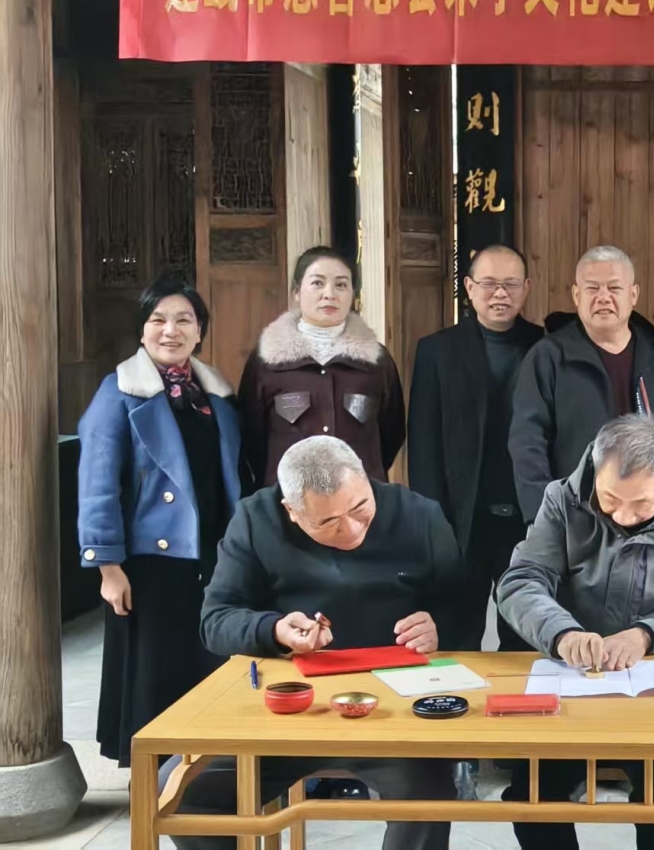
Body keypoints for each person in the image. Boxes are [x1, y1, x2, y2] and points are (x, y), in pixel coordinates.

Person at [170, 436, 471, 850]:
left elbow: (464, 605)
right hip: (288, 711)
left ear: (366, 480)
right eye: (327, 522)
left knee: (428, 799)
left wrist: (440, 627)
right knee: (179, 793)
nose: (351, 529)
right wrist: (274, 630)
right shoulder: (256, 520)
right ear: (291, 511)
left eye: (360, 508)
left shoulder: (419, 514)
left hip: (395, 714)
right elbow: (216, 620)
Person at [497, 415, 654, 850]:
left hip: (653, 692)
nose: (623, 515)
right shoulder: (562, 500)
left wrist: (648, 635)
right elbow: (521, 581)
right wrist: (563, 634)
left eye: (641, 504)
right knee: (532, 798)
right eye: (609, 499)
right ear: (595, 465)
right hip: (568, 682)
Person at [77, 277, 241, 769]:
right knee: (156, 673)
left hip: (212, 553)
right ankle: (153, 782)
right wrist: (108, 568)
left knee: (206, 665)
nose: (171, 330)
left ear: (200, 331)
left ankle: (206, 776)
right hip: (150, 561)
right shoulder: (119, 393)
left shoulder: (216, 395)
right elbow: (97, 486)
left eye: (184, 319)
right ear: (142, 329)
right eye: (158, 320)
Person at [407, 243, 542, 800]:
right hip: (458, 524)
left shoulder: (546, 346)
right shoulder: (437, 350)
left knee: (523, 636)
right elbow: (423, 444)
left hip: (527, 525)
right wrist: (431, 523)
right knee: (455, 634)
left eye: (510, 283)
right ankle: (454, 751)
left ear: (527, 288)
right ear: (468, 288)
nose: (499, 294)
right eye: (488, 283)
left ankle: (518, 749)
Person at [510, 245, 654, 523]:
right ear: (576, 295)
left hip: (652, 514)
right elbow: (528, 441)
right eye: (592, 288)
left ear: (633, 295)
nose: (603, 297)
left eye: (614, 288)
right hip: (576, 517)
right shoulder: (549, 357)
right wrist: (544, 517)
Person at [239, 246, 405, 489]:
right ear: (296, 292)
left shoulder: (376, 361)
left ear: (353, 293)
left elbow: (391, 434)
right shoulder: (267, 361)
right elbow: (252, 438)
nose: (330, 294)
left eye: (341, 285)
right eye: (317, 283)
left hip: (359, 501)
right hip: (289, 501)